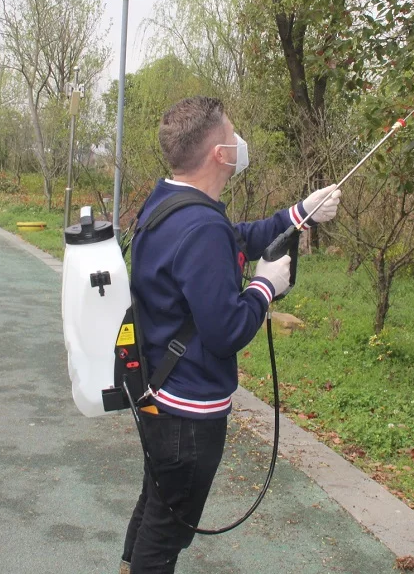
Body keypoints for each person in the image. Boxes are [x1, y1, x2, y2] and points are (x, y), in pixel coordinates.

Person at [119, 96, 341, 574]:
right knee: (166, 532)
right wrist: (266, 286)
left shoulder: (169, 203)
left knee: (155, 508)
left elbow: (234, 238)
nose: (241, 142)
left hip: (159, 393)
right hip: (189, 413)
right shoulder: (200, 226)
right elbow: (226, 333)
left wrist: (300, 212)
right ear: (220, 155)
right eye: (233, 135)